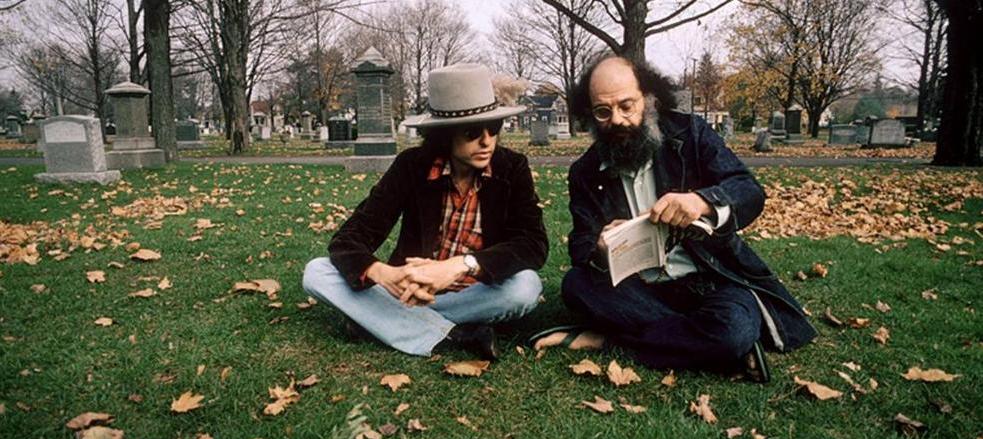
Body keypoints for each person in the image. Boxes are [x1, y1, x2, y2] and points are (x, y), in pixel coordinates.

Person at [530, 55, 815, 381]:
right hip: (638, 289)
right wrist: (600, 247)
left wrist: (702, 201)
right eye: (602, 112)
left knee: (733, 329)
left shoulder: (691, 134)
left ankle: (610, 341)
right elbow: (581, 247)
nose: (617, 120)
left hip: (709, 280)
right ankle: (709, 346)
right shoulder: (585, 171)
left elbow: (748, 191)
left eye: (626, 106)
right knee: (576, 286)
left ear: (649, 98)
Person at [303, 63, 548, 360]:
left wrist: (461, 265)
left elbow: (532, 244)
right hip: (410, 289)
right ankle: (453, 335)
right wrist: (384, 274)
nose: (487, 141)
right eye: (472, 132)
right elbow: (351, 237)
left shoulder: (511, 167)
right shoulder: (412, 166)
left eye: (493, 128)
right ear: (445, 134)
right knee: (316, 272)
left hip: (475, 292)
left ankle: (378, 320)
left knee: (525, 287)